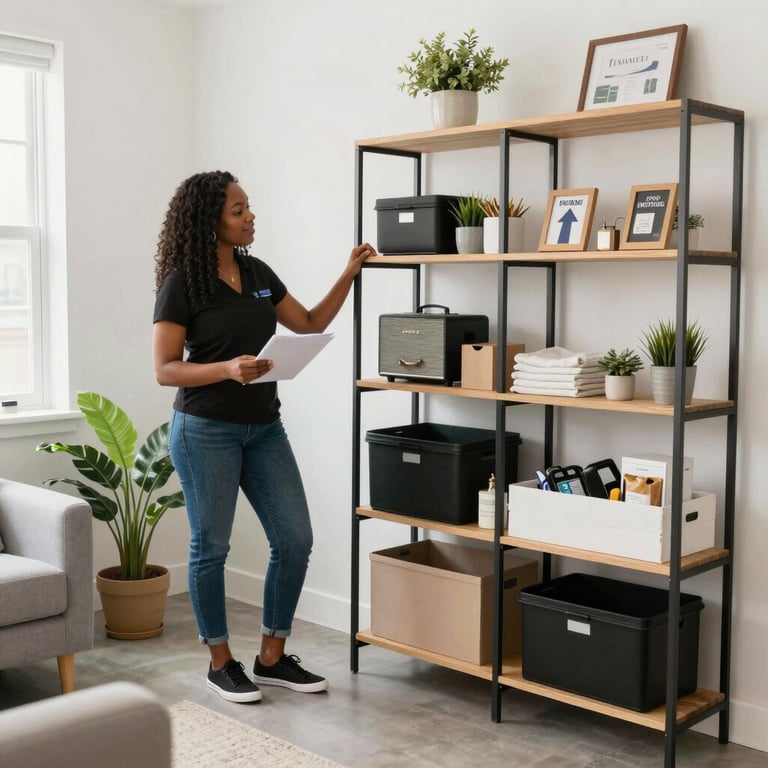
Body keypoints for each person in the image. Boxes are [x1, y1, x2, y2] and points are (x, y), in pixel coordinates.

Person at [152, 170, 374, 703]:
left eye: (248, 207)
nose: (250, 216)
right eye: (237, 210)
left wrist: (347, 272)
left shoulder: (258, 272)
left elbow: (309, 320)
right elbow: (165, 369)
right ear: (210, 220)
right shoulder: (184, 281)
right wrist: (226, 369)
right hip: (204, 430)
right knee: (212, 548)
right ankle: (220, 662)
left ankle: (272, 658)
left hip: (264, 427)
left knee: (295, 539)